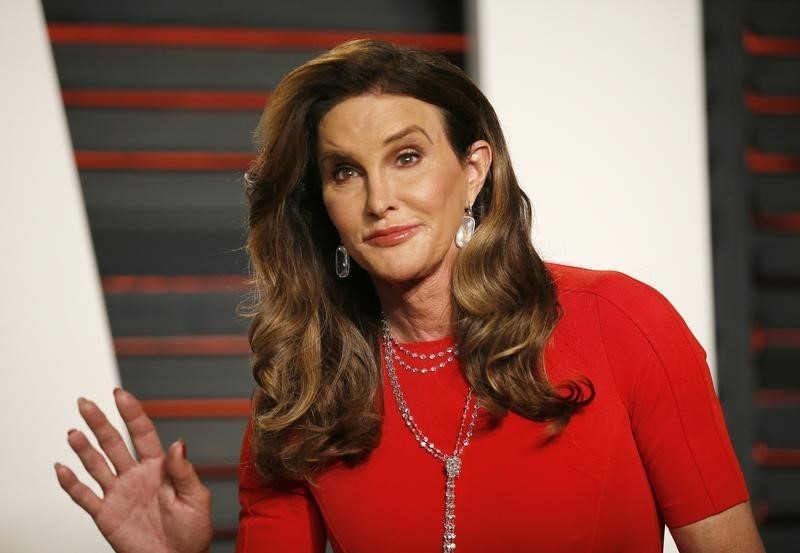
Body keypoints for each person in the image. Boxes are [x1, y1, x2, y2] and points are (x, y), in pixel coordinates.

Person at [55, 39, 765, 553]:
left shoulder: (622, 323)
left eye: (406, 157)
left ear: (474, 168)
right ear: (323, 201)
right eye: (345, 172)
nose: (381, 200)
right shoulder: (303, 396)